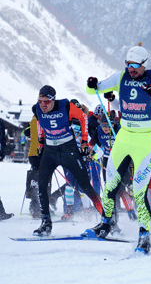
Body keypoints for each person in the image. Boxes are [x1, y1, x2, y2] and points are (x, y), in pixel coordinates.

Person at [85, 44, 151, 254]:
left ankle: (144, 234)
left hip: (145, 140)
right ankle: (106, 223)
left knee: (139, 191)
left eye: (136, 65)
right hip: (124, 138)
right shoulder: (121, 78)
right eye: (129, 65)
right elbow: (96, 88)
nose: (132, 69)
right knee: (109, 185)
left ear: (144, 64)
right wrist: (92, 84)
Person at [32, 85, 105, 236]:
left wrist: (84, 142)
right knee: (41, 185)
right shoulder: (36, 109)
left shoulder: (65, 106)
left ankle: (107, 220)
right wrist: (40, 141)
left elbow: (83, 117)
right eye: (40, 101)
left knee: (85, 185)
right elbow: (39, 121)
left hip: (68, 149)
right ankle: (46, 223)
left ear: (53, 100)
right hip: (50, 151)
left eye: (46, 101)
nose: (43, 105)